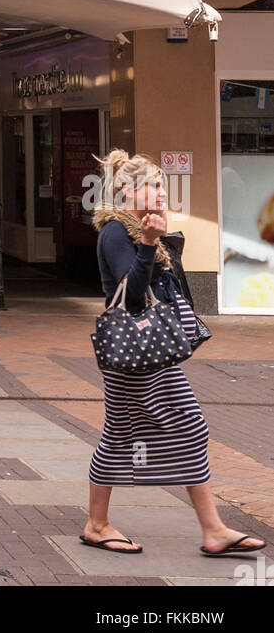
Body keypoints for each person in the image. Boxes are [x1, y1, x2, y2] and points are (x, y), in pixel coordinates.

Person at [83, 149, 266, 559]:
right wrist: (149, 243)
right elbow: (131, 298)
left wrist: (159, 240)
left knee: (177, 428)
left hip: (150, 355)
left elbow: (168, 289)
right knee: (123, 436)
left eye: (163, 185)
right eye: (153, 185)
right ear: (129, 191)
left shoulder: (143, 229)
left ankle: (212, 529)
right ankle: (98, 524)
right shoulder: (115, 231)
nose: (162, 192)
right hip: (132, 354)